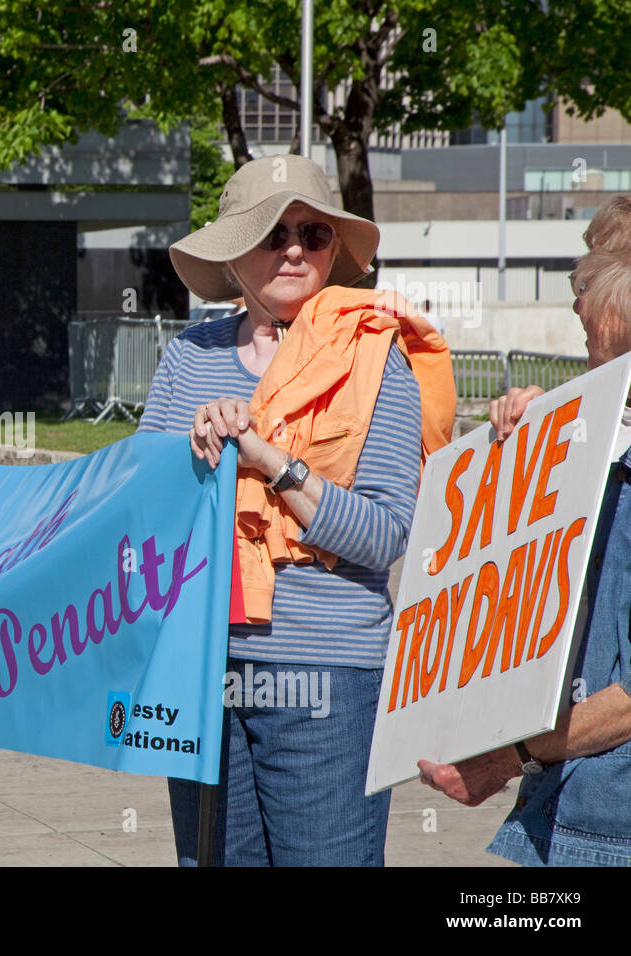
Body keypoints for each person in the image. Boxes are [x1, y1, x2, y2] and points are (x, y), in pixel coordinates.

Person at [139, 154, 455, 866]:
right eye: (271, 233)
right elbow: (140, 510)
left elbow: (384, 535)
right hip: (200, 669)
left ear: (334, 249)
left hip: (327, 680)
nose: (293, 250)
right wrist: (193, 458)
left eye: (313, 234)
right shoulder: (189, 357)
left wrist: (272, 463)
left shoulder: (379, 358)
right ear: (232, 252)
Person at [418, 241, 631, 866]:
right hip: (568, 809)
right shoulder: (604, 438)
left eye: (604, 344)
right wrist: (525, 441)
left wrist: (506, 757)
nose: (593, 360)